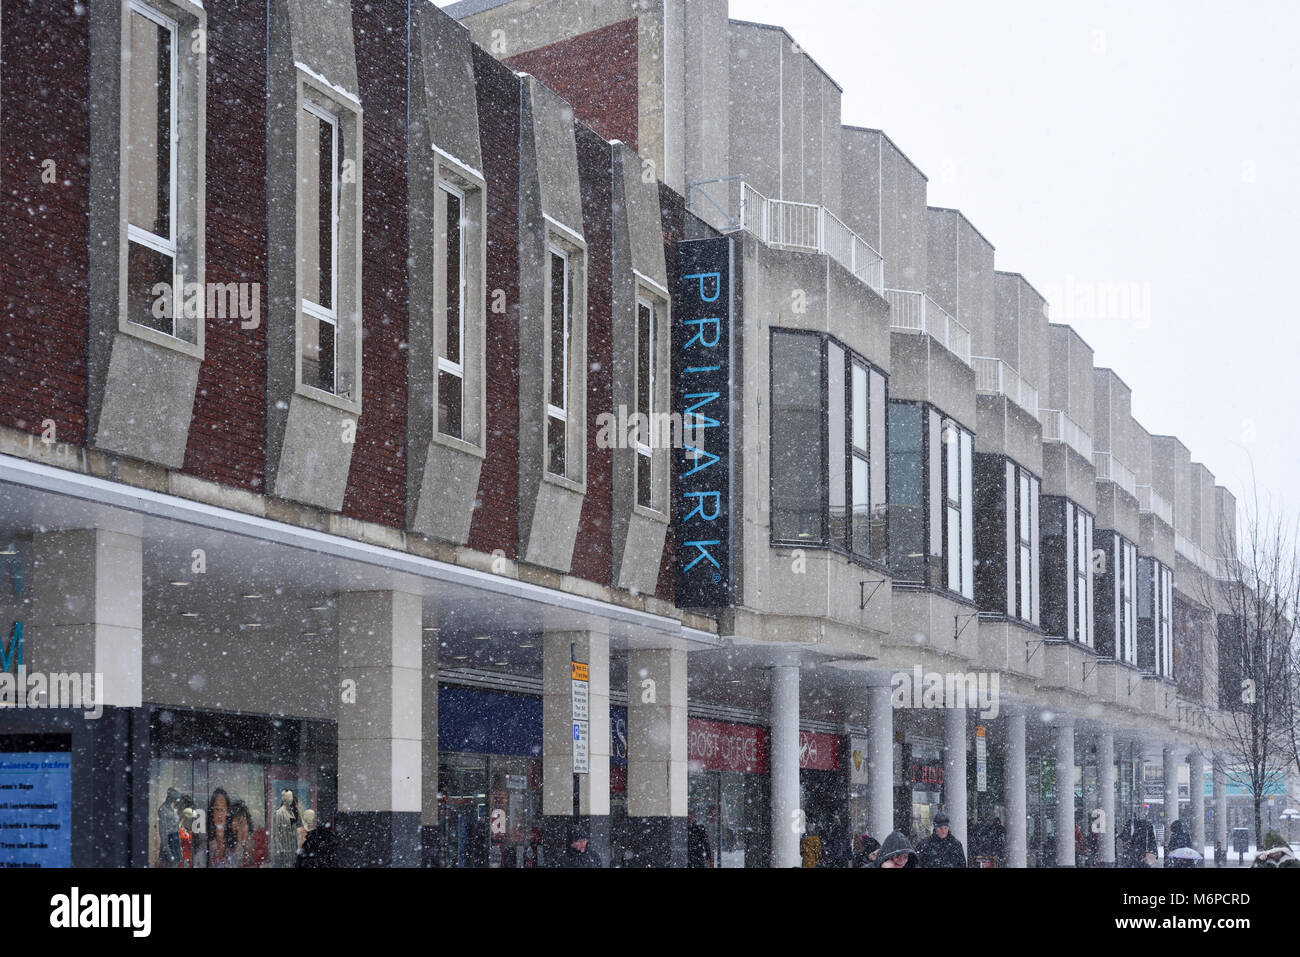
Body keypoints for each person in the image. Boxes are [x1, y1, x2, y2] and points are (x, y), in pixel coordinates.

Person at [207, 788, 233, 868]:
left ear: (227, 812)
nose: (219, 814)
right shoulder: (206, 842)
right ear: (212, 812)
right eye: (216, 809)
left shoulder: (233, 841)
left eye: (223, 809)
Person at [156, 787, 182, 868]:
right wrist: (169, 854)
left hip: (175, 841)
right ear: (171, 796)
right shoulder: (163, 810)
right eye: (175, 798)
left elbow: (176, 827)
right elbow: (163, 833)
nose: (176, 801)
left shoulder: (172, 809)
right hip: (169, 842)